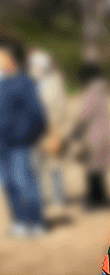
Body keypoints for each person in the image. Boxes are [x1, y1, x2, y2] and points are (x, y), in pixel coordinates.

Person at [0, 36, 47, 237]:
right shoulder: (2, 82)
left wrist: (26, 136)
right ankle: (19, 221)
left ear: (11, 57)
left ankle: (35, 222)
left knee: (24, 182)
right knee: (9, 184)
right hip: (2, 144)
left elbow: (37, 114)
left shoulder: (23, 82)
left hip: (19, 144)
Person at [28, 50, 68, 208]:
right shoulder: (29, 83)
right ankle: (39, 199)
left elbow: (60, 109)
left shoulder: (55, 82)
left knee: (54, 167)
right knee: (35, 168)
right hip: (34, 132)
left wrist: (57, 132)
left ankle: (59, 198)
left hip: (52, 131)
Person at [73, 62, 110, 208]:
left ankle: (95, 200)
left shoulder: (92, 92)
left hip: (94, 135)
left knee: (92, 170)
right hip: (102, 133)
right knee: (98, 169)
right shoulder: (101, 90)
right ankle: (101, 199)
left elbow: (85, 115)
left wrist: (75, 132)